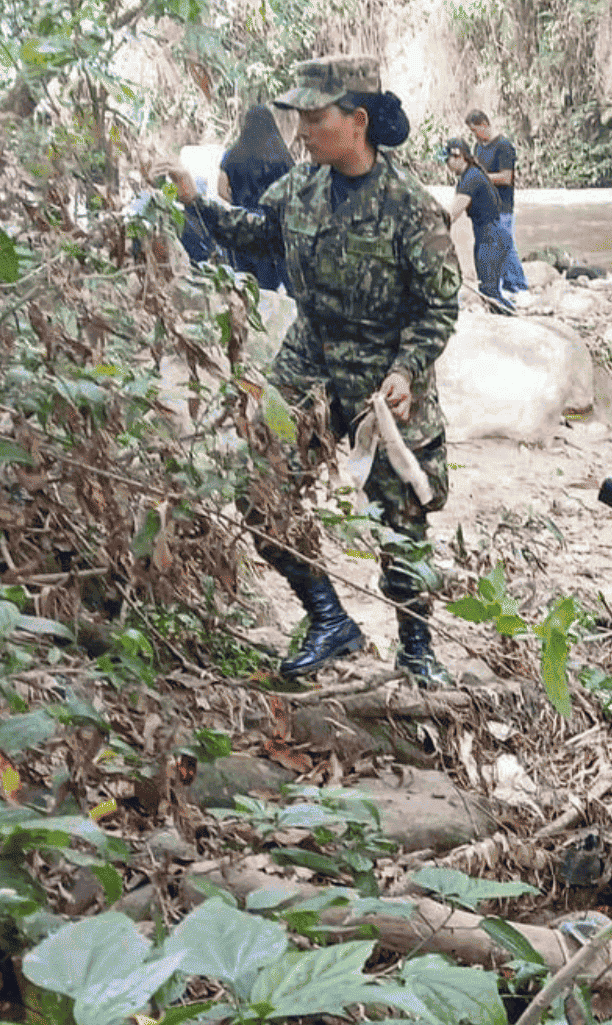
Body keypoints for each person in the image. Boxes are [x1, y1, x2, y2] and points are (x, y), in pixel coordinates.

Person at [155, 55, 459, 687]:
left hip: (386, 383)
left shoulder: (410, 207)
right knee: (259, 489)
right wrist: (195, 200)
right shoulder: (298, 189)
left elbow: (438, 306)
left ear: (358, 120)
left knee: (400, 519)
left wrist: (406, 370)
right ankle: (328, 619)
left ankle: (417, 647)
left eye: (316, 118)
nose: (302, 133)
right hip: (310, 364)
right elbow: (254, 234)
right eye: (298, 118)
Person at [217, 103, 295, 290]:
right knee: (269, 288)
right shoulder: (281, 155)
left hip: (240, 226)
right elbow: (293, 192)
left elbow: (221, 191)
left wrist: (239, 203)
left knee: (244, 286)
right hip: (271, 229)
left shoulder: (232, 154)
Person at [464, 109, 529, 303]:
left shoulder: (503, 146)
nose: (474, 135)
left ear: (485, 124)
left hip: (502, 207)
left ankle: (518, 285)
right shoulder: (478, 147)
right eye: (472, 132)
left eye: (475, 130)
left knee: (505, 246)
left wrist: (480, 179)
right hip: (484, 208)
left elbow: (506, 177)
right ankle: (498, 284)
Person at [440, 138, 511, 313]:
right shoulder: (470, 175)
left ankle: (511, 322)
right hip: (488, 235)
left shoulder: (471, 179)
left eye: (447, 159)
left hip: (490, 238)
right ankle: (508, 320)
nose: (446, 165)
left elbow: (452, 215)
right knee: (489, 291)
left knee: (489, 293)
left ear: (458, 157)